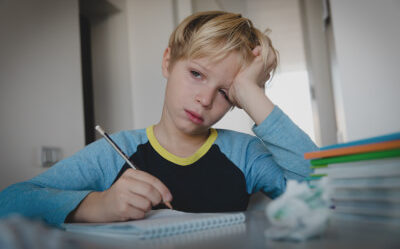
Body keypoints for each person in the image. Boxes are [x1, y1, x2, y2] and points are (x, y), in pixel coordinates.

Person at [0, 11, 318, 227]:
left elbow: (319, 195)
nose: (204, 99)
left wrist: (252, 94)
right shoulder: (114, 151)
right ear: (168, 62)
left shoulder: (245, 155)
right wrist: (96, 205)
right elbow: (10, 201)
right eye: (196, 74)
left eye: (226, 92)